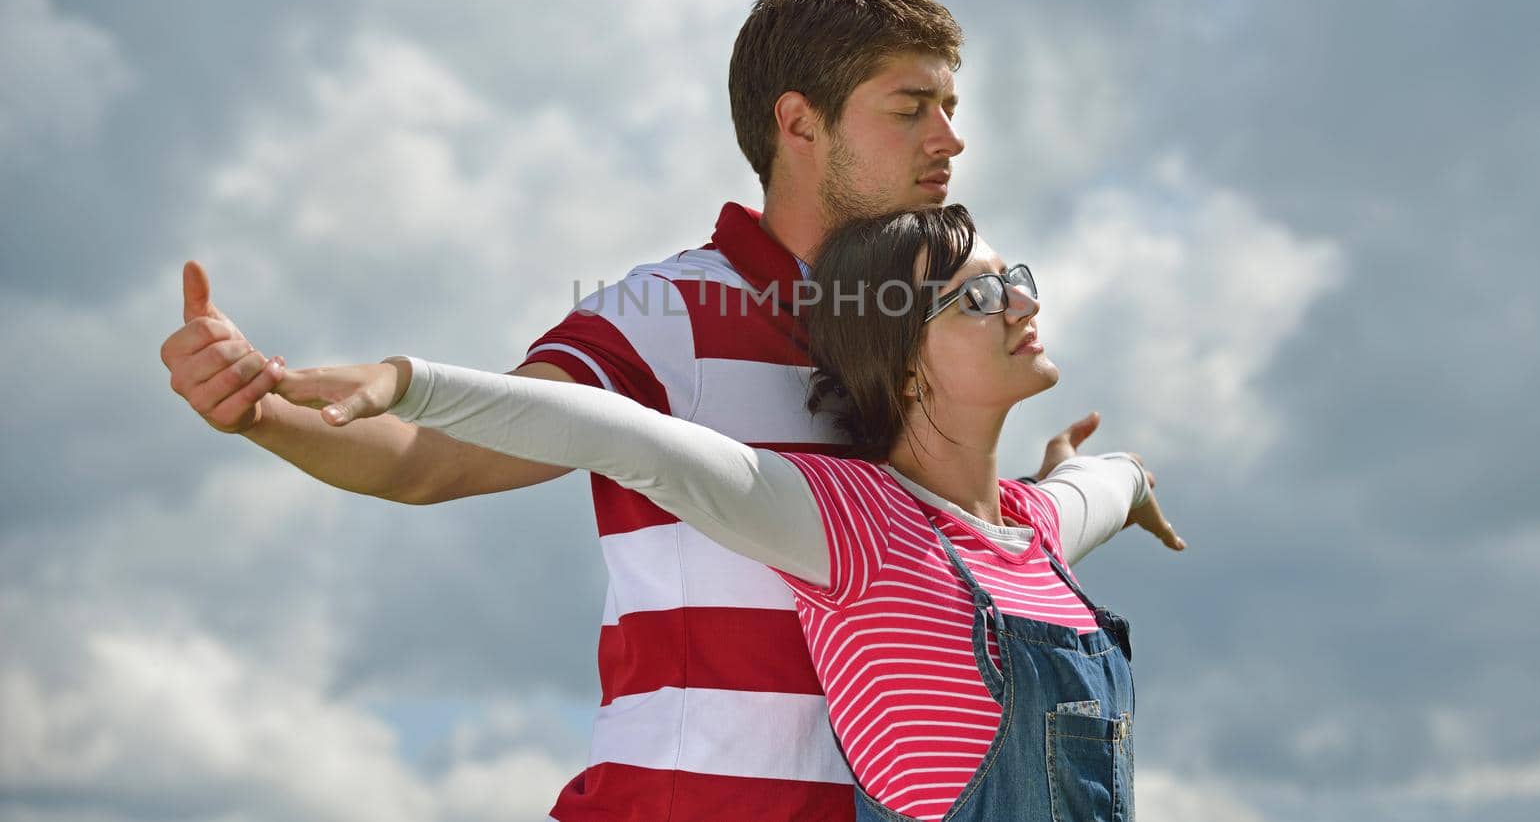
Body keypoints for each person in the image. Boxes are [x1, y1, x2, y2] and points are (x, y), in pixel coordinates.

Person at [159, 0, 1179, 821]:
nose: (949, 140)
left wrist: (1039, 506)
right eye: (911, 108)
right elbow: (434, 458)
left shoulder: (935, 321)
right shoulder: (668, 312)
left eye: (952, 109)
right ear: (799, 124)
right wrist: (262, 408)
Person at [270, 204, 1184, 822]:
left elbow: (1117, 478)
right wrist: (408, 382)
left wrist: (1112, 483)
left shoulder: (1038, 531)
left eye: (1013, 277)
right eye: (978, 297)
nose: (1022, 301)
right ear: (906, 365)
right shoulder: (847, 524)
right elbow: (616, 434)